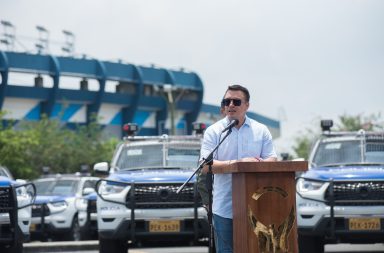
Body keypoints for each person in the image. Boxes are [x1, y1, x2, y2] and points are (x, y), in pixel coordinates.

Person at [200, 84, 277, 253]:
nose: (230, 105)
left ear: (247, 105)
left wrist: (256, 164)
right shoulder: (214, 132)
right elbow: (206, 166)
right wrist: (238, 164)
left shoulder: (261, 130)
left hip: (257, 205)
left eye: (236, 101)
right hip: (224, 206)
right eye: (226, 101)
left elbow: (271, 159)